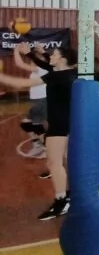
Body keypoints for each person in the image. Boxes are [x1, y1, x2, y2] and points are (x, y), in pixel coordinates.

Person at [0, 43, 77, 220]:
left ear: (62, 59)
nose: (51, 56)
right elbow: (46, 64)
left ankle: (61, 202)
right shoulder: (67, 73)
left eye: (55, 54)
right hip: (67, 122)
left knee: (54, 163)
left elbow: (22, 83)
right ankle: (70, 194)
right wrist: (30, 54)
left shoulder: (58, 76)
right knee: (64, 161)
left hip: (59, 125)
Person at [13, 44, 49, 158]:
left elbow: (19, 64)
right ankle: (38, 145)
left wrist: (16, 50)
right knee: (29, 124)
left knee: (35, 125)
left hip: (42, 100)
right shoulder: (37, 71)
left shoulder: (41, 69)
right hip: (38, 100)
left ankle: (46, 149)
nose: (32, 61)